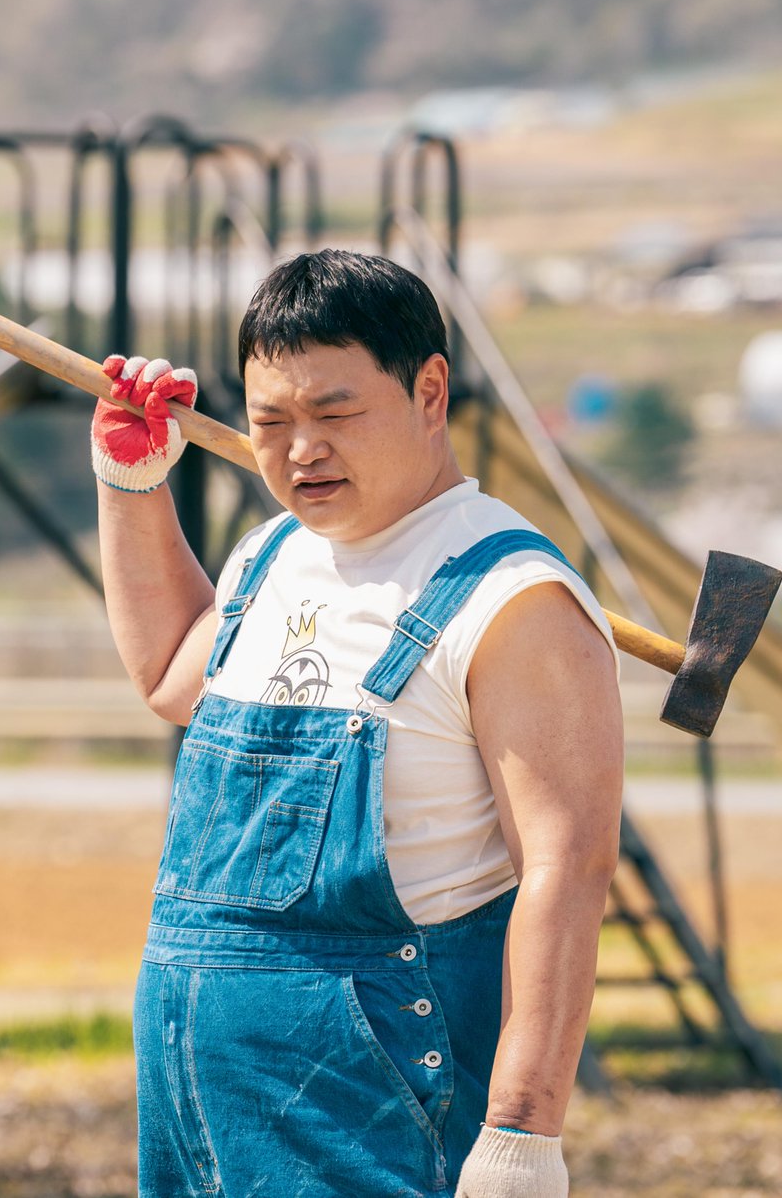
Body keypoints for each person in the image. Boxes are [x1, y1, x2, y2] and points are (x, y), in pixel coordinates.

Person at [92, 249, 623, 1197]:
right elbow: (174, 675)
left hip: (371, 1120)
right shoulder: (273, 554)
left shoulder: (511, 598)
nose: (301, 451)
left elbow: (568, 866)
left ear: (429, 392)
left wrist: (522, 1131)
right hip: (197, 1108)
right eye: (271, 421)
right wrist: (132, 488)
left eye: (334, 414)